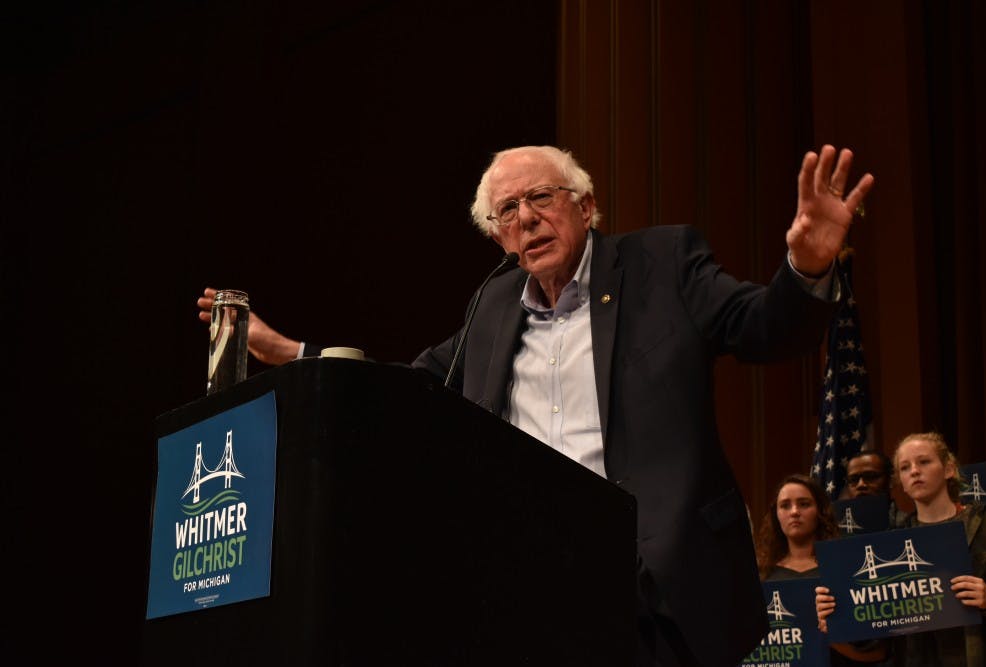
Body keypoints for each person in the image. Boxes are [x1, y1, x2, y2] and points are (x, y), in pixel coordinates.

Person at [199, 144, 873, 666]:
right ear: (498, 237)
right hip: (530, 589)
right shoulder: (492, 309)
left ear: (586, 205)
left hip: (658, 589)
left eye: (541, 197)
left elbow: (763, 327)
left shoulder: (663, 262)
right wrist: (293, 352)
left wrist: (807, 267)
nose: (526, 218)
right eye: (508, 212)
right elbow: (409, 385)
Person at [816, 432, 986, 666]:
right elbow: (878, 635)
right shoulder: (891, 543)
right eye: (905, 467)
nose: (914, 471)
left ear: (948, 469)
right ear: (900, 481)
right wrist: (836, 615)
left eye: (924, 462)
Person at [756, 473, 887, 664]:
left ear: (820, 511)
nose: (794, 512)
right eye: (785, 505)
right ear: (776, 515)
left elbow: (878, 653)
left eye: (804, 504)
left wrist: (834, 634)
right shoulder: (762, 576)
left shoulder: (847, 570)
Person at [843, 449, 907, 529]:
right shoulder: (836, 532)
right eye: (853, 480)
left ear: (890, 481)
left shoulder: (909, 526)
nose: (861, 484)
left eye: (870, 477)